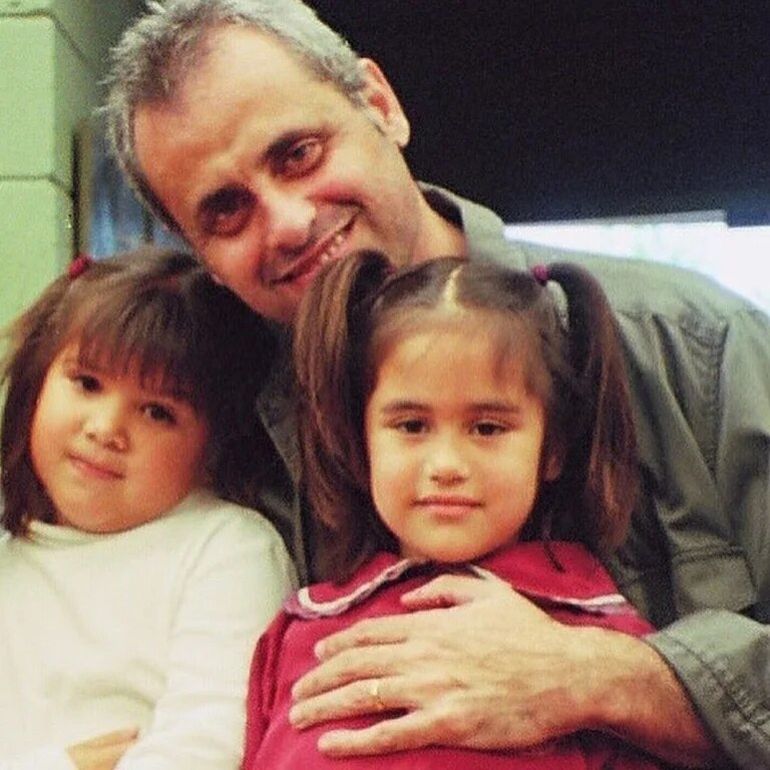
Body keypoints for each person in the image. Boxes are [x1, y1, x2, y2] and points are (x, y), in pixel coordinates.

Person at [103, 2, 770, 767]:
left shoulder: (693, 346)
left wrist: (611, 678)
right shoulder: (216, 445)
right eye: (226, 210)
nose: (285, 220)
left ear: (380, 105)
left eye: (298, 154)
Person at [243, 249, 670, 770]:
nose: (445, 464)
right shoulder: (299, 630)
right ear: (361, 437)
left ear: (552, 447)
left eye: (487, 428)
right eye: (411, 426)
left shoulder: (604, 643)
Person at [0, 248, 297, 769]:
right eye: (87, 383)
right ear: (37, 380)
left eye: (158, 412)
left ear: (214, 443)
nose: (106, 428)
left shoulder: (228, 550)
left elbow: (207, 746)